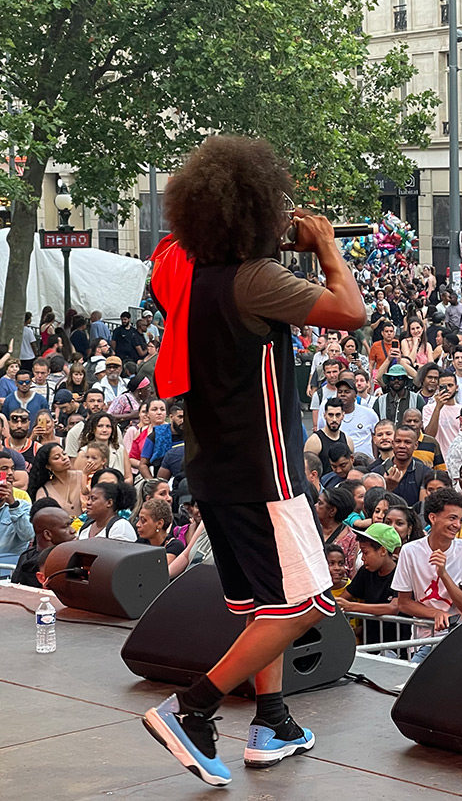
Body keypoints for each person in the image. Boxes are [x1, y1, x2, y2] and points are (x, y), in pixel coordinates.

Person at [142, 135, 367, 785]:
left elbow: (195, 259)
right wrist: (325, 246)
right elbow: (349, 311)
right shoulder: (258, 280)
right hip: (262, 473)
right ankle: (193, 707)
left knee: (261, 605)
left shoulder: (187, 273)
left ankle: (272, 720)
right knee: (306, 603)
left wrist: (272, 242)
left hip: (212, 467)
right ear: (253, 210)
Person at [393, 488, 462, 664]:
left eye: (460, 519)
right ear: (433, 518)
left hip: (458, 640)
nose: (457, 525)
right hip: (422, 640)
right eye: (452, 518)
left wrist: (443, 574)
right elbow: (403, 603)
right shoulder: (410, 551)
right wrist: (436, 613)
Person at [340, 522, 402, 652]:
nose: (362, 558)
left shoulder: (401, 573)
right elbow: (346, 596)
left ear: (383, 551)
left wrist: (351, 607)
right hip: (369, 645)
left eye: (366, 552)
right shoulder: (365, 571)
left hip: (396, 648)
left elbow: (393, 608)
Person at [11, 498, 76, 587]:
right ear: (47, 534)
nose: (73, 531)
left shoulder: (26, 556)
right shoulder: (57, 562)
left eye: (70, 525)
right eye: (65, 527)